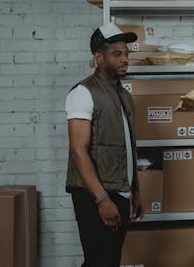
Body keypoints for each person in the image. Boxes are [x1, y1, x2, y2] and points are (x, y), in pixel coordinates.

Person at [65, 22, 144, 267]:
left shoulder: (123, 95)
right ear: (99, 57)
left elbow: (127, 147)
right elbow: (78, 151)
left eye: (127, 54)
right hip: (94, 195)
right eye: (117, 54)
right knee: (98, 261)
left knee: (111, 261)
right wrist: (101, 199)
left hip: (119, 191)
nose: (125, 59)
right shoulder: (82, 92)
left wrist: (135, 189)